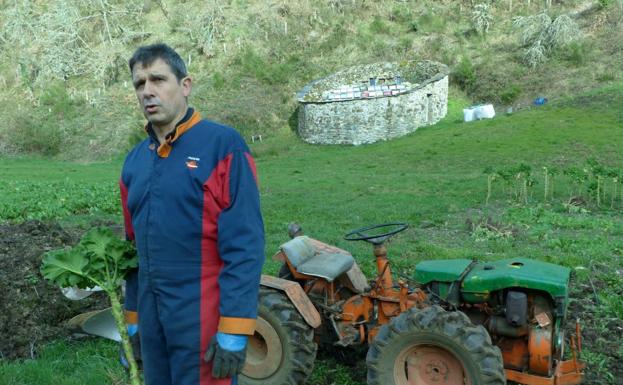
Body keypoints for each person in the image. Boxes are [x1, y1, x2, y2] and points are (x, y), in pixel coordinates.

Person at [119, 43, 265, 385]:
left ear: (185, 85)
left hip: (204, 320)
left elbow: (245, 246)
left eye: (158, 79)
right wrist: (133, 318)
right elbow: (131, 252)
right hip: (153, 320)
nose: (148, 91)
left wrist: (235, 328)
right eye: (139, 84)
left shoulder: (223, 146)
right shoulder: (134, 162)